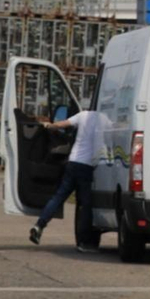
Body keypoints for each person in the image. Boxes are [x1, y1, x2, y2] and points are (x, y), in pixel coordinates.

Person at [28, 108, 106, 252]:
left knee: (58, 197)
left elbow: (62, 124)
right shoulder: (104, 119)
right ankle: (84, 242)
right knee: (85, 205)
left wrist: (48, 125)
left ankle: (39, 225)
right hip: (86, 166)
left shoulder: (83, 115)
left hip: (73, 162)